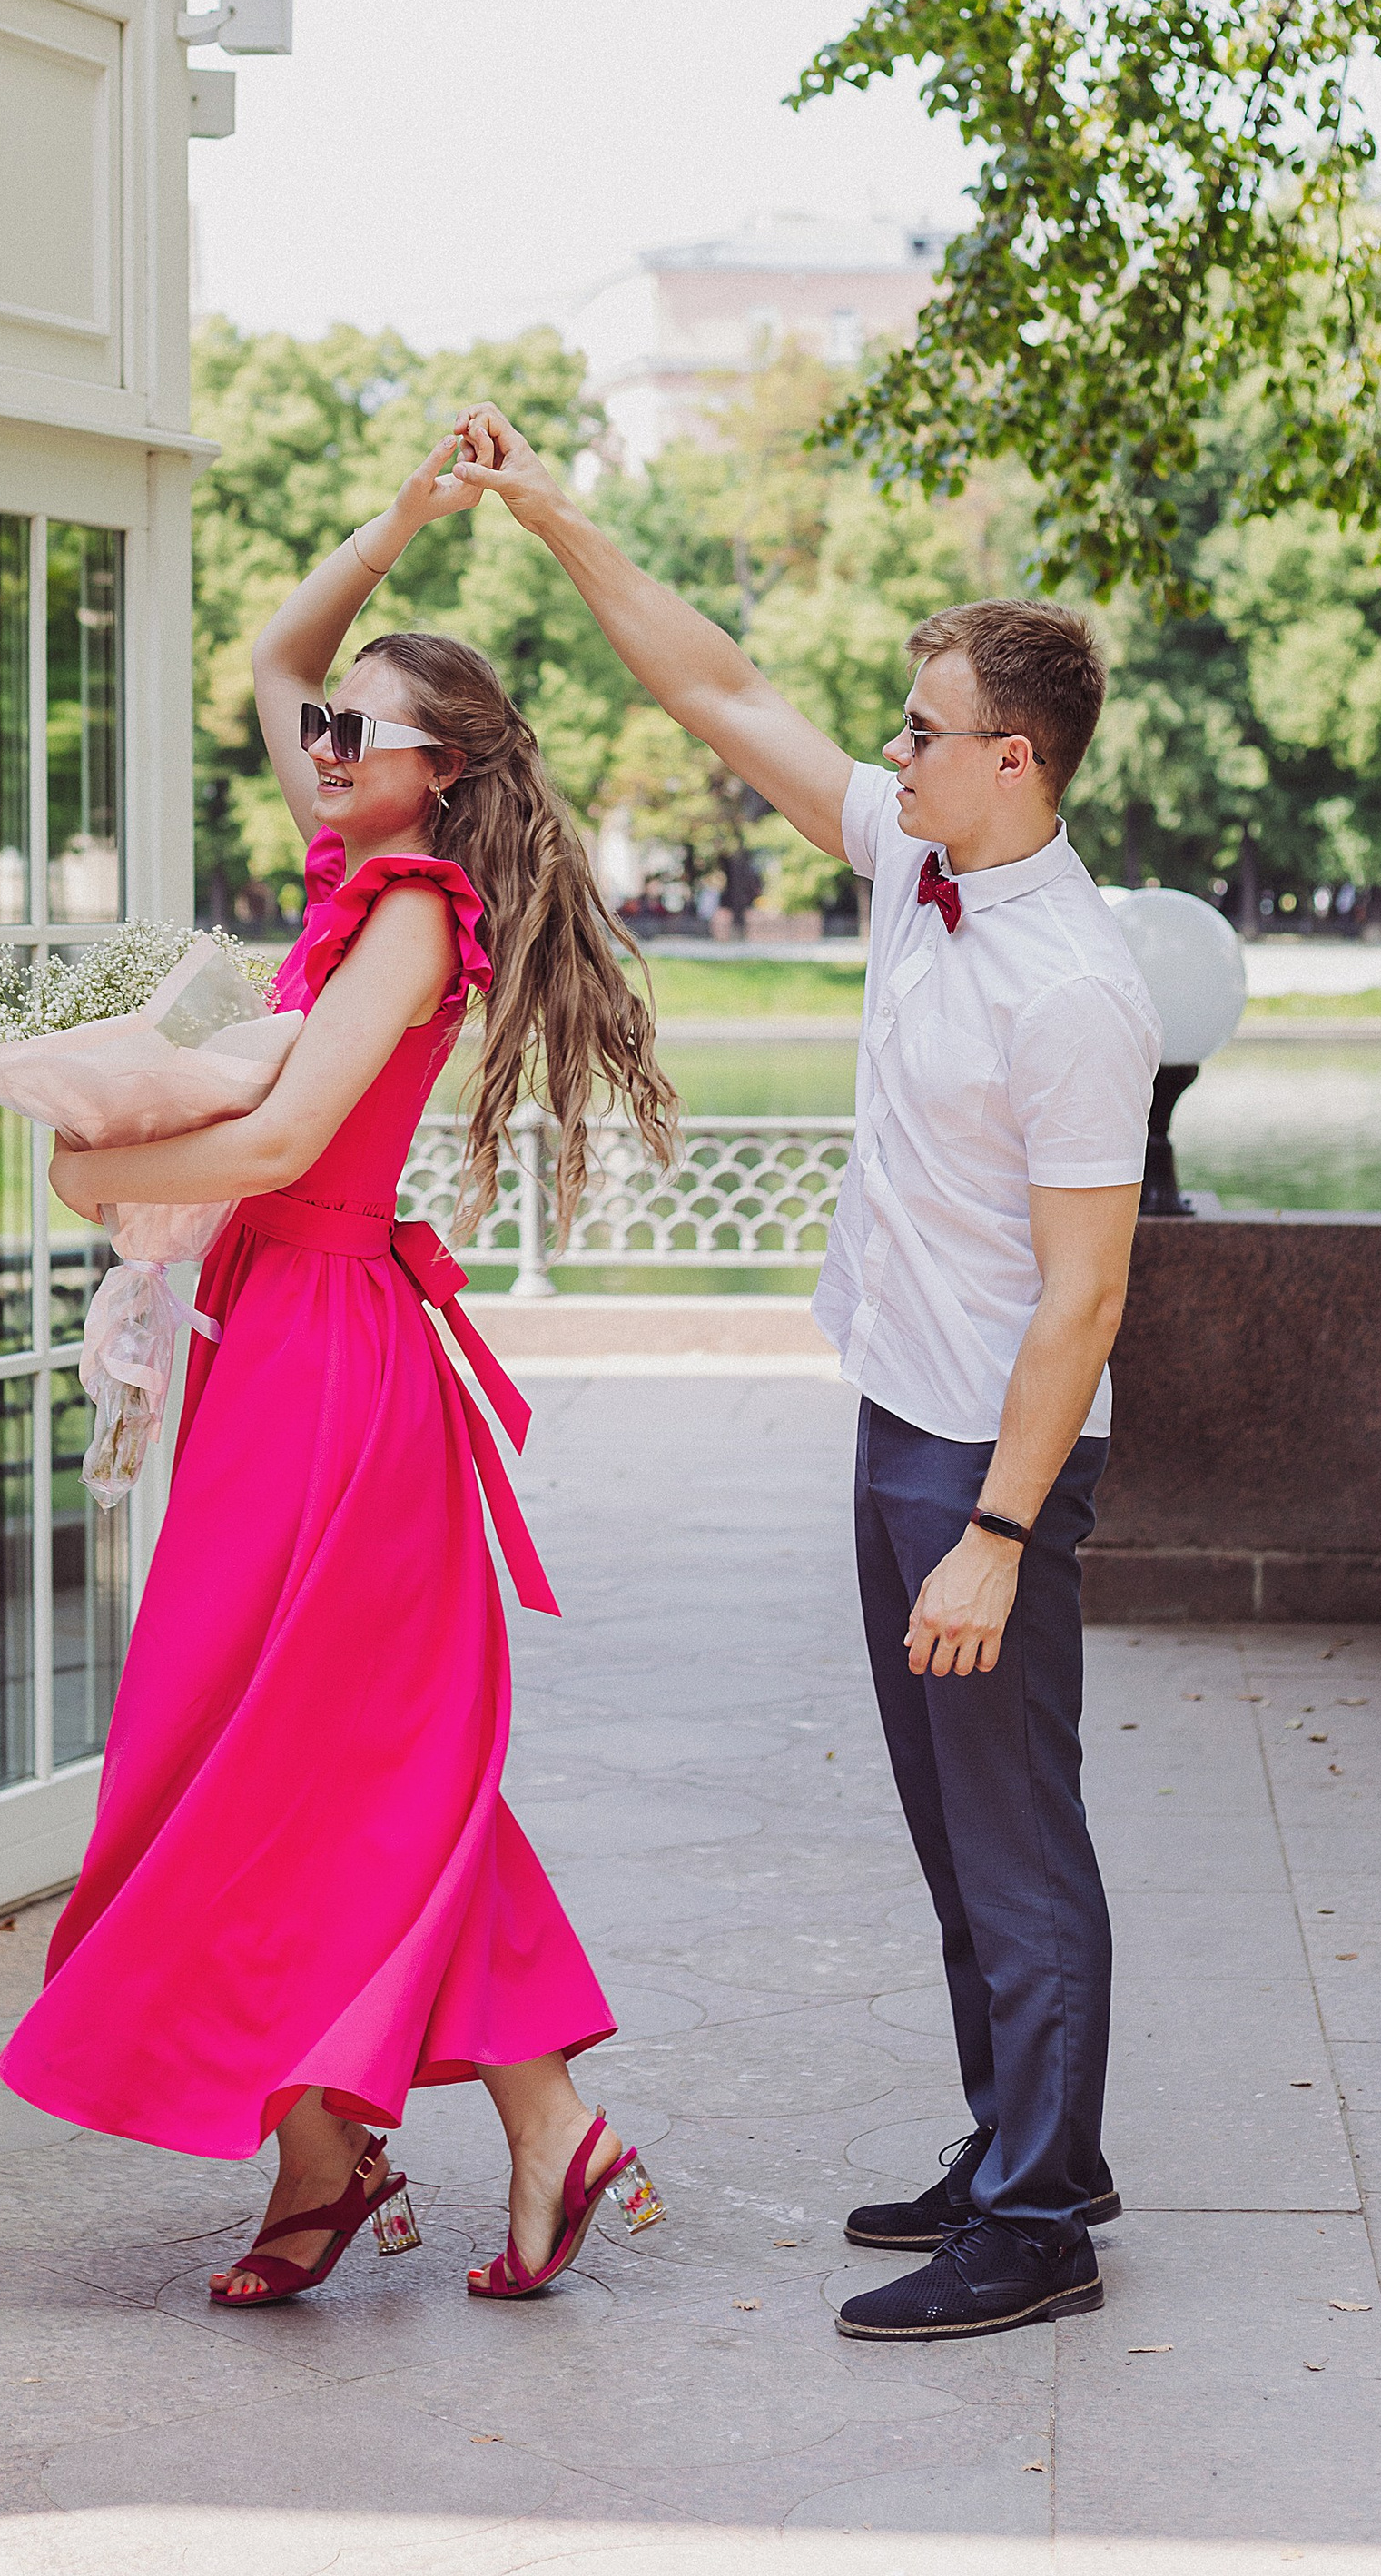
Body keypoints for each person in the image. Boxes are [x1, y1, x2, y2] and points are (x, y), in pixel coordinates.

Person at [452, 403, 1160, 2344]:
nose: (891, 744)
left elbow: (1085, 1296)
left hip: (987, 1458)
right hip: (902, 1421)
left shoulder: (1075, 984)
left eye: (921, 725)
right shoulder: (910, 867)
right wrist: (545, 510)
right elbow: (709, 683)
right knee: (951, 1822)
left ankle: (1036, 2218)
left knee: (1013, 1834)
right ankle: (1025, 2137)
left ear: (1010, 760)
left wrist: (996, 1533)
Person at [0, 438, 683, 2308]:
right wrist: (398, 525)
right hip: (272, 1352)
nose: (314, 741)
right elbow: (278, 650)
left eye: (351, 730)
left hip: (334, 1368)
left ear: (429, 770)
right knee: (286, 1759)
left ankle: (383, 2147)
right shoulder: (343, 876)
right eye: (319, 730)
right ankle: (461, 2134)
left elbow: (292, 1142)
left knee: (303, 1764)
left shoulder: (406, 917)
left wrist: (90, 1167)